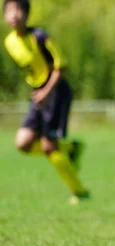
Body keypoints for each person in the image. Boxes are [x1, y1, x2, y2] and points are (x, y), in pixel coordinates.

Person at [3, 0, 89, 204]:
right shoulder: (9, 42)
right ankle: (71, 148)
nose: (14, 15)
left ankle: (79, 192)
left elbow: (61, 66)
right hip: (38, 94)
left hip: (56, 91)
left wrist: (46, 92)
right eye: (9, 11)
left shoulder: (40, 37)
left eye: (19, 11)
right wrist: (38, 92)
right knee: (22, 143)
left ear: (26, 14)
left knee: (49, 146)